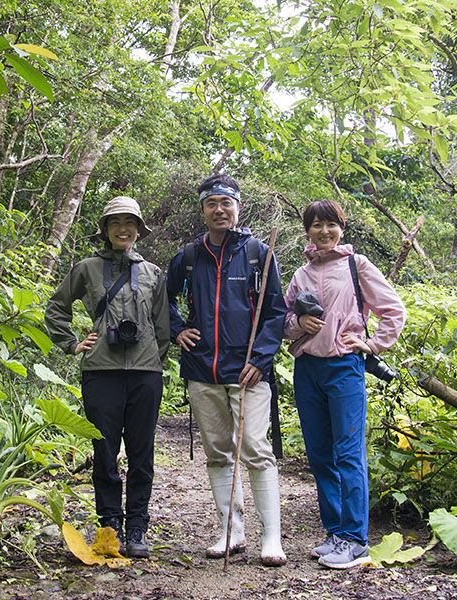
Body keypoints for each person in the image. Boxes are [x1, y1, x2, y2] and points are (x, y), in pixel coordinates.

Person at [166, 174, 289, 567]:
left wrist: (261, 359)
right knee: (217, 452)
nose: (219, 210)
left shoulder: (257, 254)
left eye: (226, 203)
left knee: (255, 446)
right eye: (212, 203)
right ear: (202, 210)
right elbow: (163, 301)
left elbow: (276, 312)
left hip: (248, 370)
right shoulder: (187, 257)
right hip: (202, 368)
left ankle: (272, 536)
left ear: (238, 207)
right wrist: (176, 330)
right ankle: (230, 530)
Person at [282, 200, 406, 569]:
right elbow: (283, 319)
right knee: (319, 454)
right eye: (316, 225)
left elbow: (393, 309)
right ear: (307, 231)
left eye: (330, 224)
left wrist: (372, 344)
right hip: (308, 369)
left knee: (348, 453)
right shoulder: (301, 274)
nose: (324, 231)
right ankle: (335, 533)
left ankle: (355, 540)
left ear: (342, 227)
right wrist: (297, 326)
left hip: (344, 367)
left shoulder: (357, 265)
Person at [45, 196, 170, 559]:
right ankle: (110, 524)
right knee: (104, 450)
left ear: (139, 230)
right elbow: (56, 306)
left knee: (142, 451)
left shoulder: (152, 273)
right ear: (105, 229)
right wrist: (71, 344)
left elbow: (162, 326)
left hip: (146, 374)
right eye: (115, 222)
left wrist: (151, 356)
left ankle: (137, 527)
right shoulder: (86, 268)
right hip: (100, 373)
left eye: (130, 223)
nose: (123, 229)